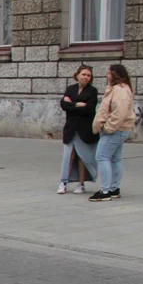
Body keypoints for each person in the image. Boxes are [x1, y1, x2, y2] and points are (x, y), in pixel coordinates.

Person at [90, 63, 136, 202]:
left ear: (115, 74)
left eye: (109, 73)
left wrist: (108, 127)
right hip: (120, 129)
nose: (107, 75)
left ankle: (105, 191)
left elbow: (119, 112)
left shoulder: (120, 90)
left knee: (102, 157)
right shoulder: (121, 88)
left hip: (115, 130)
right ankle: (114, 188)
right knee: (115, 159)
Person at [58, 65, 99, 195]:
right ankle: (63, 182)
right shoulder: (70, 89)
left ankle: (81, 184)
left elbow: (89, 109)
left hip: (85, 130)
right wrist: (77, 105)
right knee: (68, 156)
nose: (86, 77)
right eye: (84, 74)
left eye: (88, 75)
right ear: (77, 75)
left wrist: (72, 104)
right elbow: (64, 105)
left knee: (83, 157)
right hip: (71, 128)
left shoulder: (92, 91)